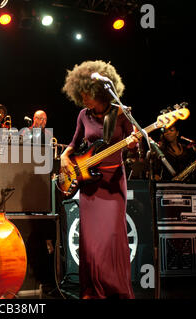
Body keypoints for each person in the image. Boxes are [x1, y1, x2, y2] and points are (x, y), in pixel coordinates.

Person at [60, 60, 138, 299]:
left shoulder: (122, 112)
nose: (83, 100)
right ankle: (92, 290)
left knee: (111, 238)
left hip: (113, 183)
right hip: (89, 184)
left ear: (100, 92)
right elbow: (73, 145)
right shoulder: (83, 115)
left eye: (86, 95)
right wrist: (64, 156)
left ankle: (115, 290)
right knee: (92, 242)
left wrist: (135, 143)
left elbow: (134, 146)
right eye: (80, 95)